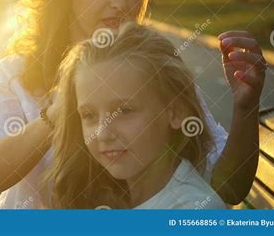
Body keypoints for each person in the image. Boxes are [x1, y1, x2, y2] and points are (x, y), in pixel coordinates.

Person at [0, 0, 266, 208]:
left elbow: (227, 186)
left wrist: (245, 106)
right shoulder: (19, 73)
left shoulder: (154, 68)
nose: (121, 2)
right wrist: (57, 114)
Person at [42, 22, 226, 209]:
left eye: (124, 111)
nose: (102, 133)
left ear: (176, 112)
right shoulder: (96, 191)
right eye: (89, 115)